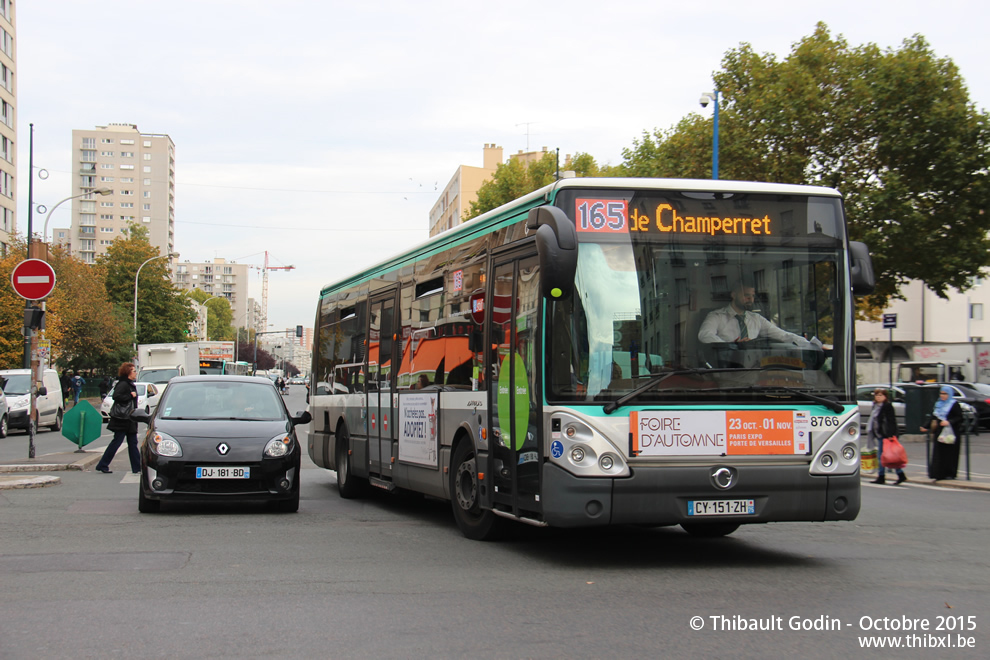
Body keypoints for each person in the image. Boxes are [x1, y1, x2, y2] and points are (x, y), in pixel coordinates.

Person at [698, 281, 815, 347]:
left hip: (753, 370)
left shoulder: (756, 319)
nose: (751, 299)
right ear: (733, 295)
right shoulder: (716, 316)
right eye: (746, 295)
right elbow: (704, 335)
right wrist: (731, 346)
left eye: (753, 296)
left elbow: (783, 336)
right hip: (724, 369)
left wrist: (810, 345)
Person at [95, 363, 141, 475]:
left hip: (128, 418)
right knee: (117, 442)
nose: (135, 373)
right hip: (122, 418)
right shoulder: (123, 384)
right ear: (128, 372)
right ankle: (103, 464)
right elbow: (116, 396)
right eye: (133, 371)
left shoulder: (129, 383)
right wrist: (130, 396)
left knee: (132, 442)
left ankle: (137, 468)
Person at [922, 385, 963, 480]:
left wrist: (949, 422)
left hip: (951, 432)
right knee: (939, 452)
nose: (943, 396)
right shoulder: (939, 404)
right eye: (941, 393)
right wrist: (925, 426)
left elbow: (959, 417)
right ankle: (938, 473)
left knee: (950, 453)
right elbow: (934, 417)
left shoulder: (954, 404)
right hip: (940, 432)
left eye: (945, 394)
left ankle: (949, 473)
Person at [869, 388, 906, 485]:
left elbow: (891, 421)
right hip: (879, 434)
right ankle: (900, 475)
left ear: (885, 397)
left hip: (886, 434)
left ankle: (882, 477)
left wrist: (890, 434)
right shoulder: (875, 406)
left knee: (884, 456)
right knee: (887, 456)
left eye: (880, 395)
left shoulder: (887, 406)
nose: (878, 397)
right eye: (877, 395)